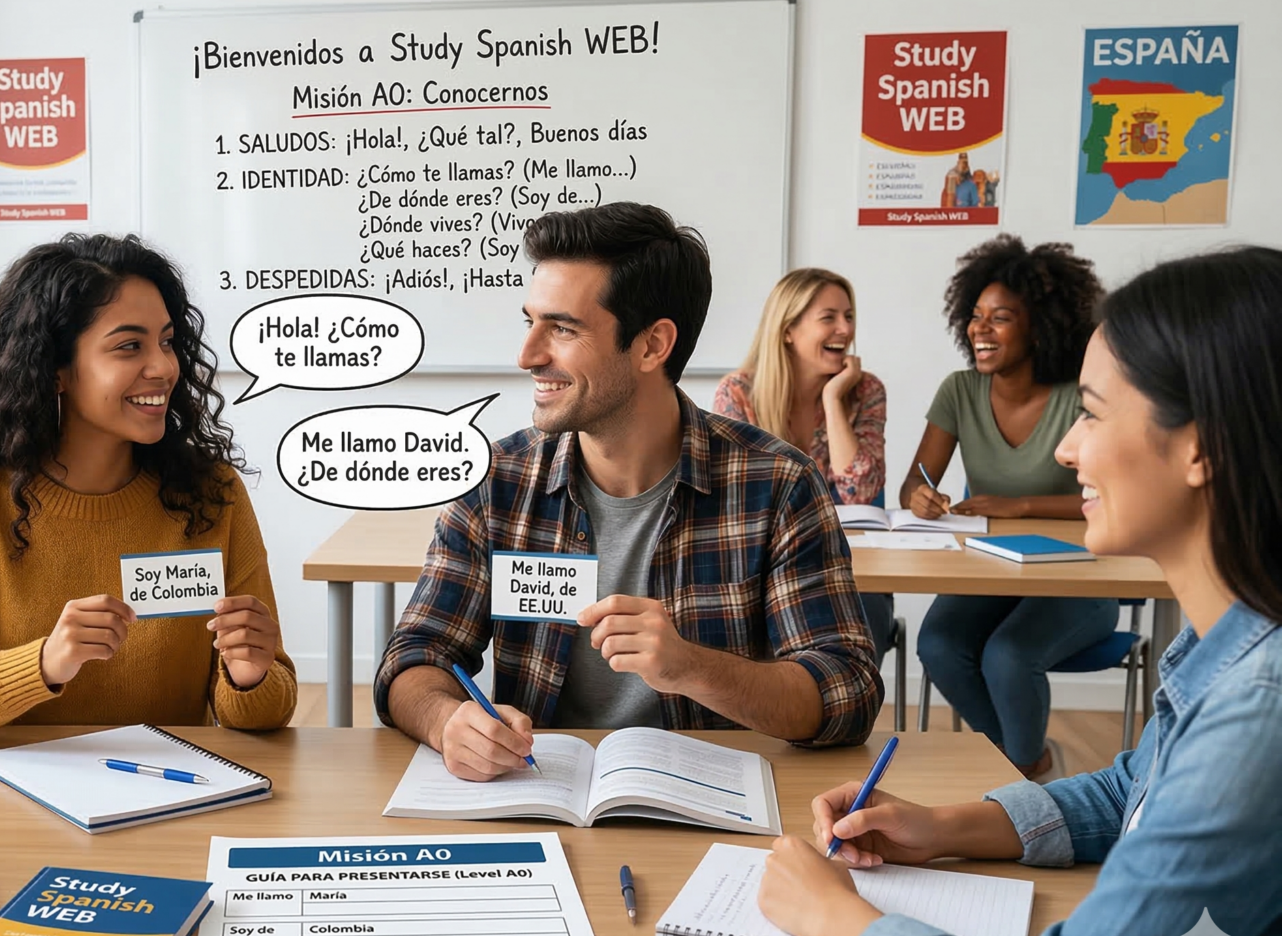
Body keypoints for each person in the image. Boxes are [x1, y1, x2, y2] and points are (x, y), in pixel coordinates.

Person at [759, 246, 1282, 936]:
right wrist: (941, 826)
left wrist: (840, 919)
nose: (1069, 448)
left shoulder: (1257, 710)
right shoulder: (1220, 644)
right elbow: (1133, 790)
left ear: (1200, 447)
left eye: (1094, 415)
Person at [376, 203, 880, 782]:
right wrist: (446, 720)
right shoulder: (495, 481)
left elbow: (848, 689)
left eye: (562, 328)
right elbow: (413, 657)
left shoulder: (779, 485)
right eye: (530, 322)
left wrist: (692, 667)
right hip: (537, 798)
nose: (528, 354)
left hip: (717, 811)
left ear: (651, 346)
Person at [0, 234, 296, 746]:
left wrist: (249, 675)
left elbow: (268, 706)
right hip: (14, 801)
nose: (163, 366)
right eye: (129, 346)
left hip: (173, 797)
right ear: (54, 370)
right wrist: (45, 664)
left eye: (166, 340)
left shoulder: (211, 493)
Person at [904, 236, 1116, 780]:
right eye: (976, 317)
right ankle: (1023, 766)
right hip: (991, 570)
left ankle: (1023, 775)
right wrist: (920, 497)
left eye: (1000, 318)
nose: (981, 329)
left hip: (1080, 577)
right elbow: (913, 484)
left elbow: (1109, 497)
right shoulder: (959, 391)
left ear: (1040, 324)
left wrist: (1020, 505)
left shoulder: (1079, 396)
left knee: (1008, 655)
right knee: (939, 644)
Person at [713, 267, 894, 654]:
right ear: (788, 329)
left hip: (853, 569)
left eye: (849, 317)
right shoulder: (739, 393)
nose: (845, 330)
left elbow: (859, 493)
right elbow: (735, 502)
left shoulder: (864, 391)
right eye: (828, 318)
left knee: (860, 630)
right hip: (763, 565)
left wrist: (832, 401)